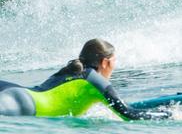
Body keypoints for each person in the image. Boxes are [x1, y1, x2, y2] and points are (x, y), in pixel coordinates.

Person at [0, 39, 169, 119]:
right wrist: (167, 115)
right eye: (114, 62)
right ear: (105, 62)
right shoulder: (93, 80)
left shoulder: (73, 72)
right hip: (23, 105)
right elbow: (129, 114)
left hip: (17, 93)